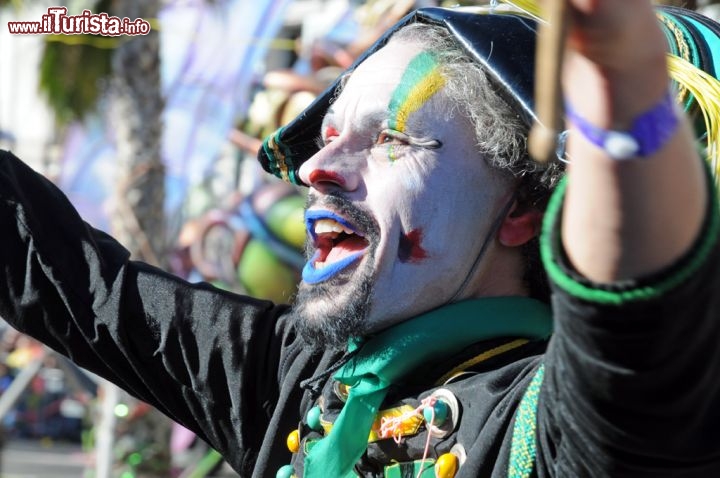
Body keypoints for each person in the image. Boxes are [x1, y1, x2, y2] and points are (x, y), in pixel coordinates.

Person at [1, 1, 720, 477]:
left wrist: (626, 110)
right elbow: (67, 277)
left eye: (393, 139)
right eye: (332, 136)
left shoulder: (544, 427)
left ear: (524, 210)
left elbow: (633, 337)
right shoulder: (295, 376)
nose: (314, 167)